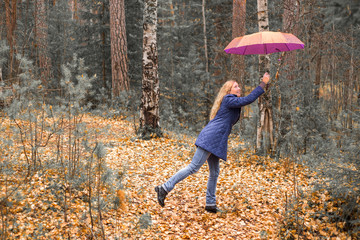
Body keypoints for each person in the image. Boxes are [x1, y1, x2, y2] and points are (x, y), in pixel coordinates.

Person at [155, 72, 270, 213]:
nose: (239, 88)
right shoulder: (229, 99)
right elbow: (248, 100)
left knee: (214, 172)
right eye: (236, 86)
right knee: (193, 167)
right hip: (211, 138)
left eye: (238, 86)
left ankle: (210, 204)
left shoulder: (231, 102)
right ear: (229, 91)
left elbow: (243, 103)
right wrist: (263, 83)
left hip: (216, 141)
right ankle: (164, 188)